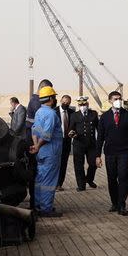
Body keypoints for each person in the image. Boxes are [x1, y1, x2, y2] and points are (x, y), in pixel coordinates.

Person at [96, 91, 128, 216]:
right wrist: (98, 155)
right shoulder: (104, 117)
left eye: (119, 98)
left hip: (124, 152)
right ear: (110, 101)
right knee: (112, 178)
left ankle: (122, 204)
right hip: (110, 153)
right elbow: (100, 137)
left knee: (123, 177)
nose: (118, 100)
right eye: (115, 99)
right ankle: (114, 202)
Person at [30, 85, 63, 218]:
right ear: (50, 98)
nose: (55, 99)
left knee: (40, 179)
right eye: (54, 97)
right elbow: (47, 135)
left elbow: (35, 131)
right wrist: (38, 146)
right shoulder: (51, 114)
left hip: (42, 153)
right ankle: (46, 208)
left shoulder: (39, 112)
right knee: (49, 182)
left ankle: (38, 205)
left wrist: (36, 146)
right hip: (51, 153)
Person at [69, 96, 99, 191]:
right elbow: (71, 128)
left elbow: (99, 128)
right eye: (81, 104)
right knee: (78, 165)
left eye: (84, 104)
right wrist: (71, 133)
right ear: (78, 105)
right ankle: (81, 185)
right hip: (79, 143)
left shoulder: (93, 114)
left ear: (87, 104)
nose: (83, 106)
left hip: (91, 144)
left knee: (93, 163)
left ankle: (89, 179)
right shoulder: (74, 115)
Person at [55, 95, 75, 191]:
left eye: (68, 103)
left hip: (66, 141)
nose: (65, 104)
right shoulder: (54, 112)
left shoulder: (72, 113)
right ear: (60, 101)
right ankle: (53, 183)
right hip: (56, 142)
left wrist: (73, 132)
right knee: (55, 163)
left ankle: (59, 184)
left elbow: (74, 126)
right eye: (64, 102)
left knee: (63, 163)